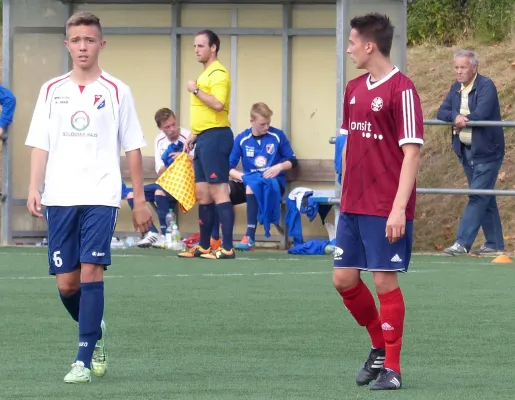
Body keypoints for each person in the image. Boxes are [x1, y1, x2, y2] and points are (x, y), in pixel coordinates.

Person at [25, 12, 153, 384]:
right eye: (76, 40)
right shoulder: (52, 90)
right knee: (66, 283)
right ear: (67, 45)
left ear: (101, 44)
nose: (83, 47)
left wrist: (138, 198)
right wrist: (35, 187)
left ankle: (83, 356)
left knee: (92, 270)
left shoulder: (117, 90)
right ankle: (95, 330)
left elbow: (132, 147)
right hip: (60, 196)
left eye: (89, 40)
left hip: (101, 193)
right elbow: (39, 143)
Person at [333, 13, 423, 390]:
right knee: (343, 279)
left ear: (370, 46)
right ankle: (378, 347)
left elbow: (412, 153)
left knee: (384, 282)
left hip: (384, 205)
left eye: (352, 42)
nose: (349, 48)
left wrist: (398, 208)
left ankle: (394, 368)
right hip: (352, 204)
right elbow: (347, 141)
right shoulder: (353, 88)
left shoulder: (402, 90)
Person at [437, 50, 505, 256]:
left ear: (474, 68)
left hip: (487, 151)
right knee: (486, 196)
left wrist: (461, 119)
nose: (458, 72)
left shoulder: (486, 86)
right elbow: (442, 112)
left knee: (477, 195)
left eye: (463, 67)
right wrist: (456, 116)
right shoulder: (455, 88)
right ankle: (494, 244)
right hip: (466, 150)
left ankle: (462, 243)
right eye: (456, 67)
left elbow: (482, 113)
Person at [178, 29, 235, 260]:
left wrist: (196, 90)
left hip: (216, 137)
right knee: (203, 193)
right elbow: (205, 112)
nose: (196, 50)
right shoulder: (205, 74)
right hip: (203, 137)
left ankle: (228, 248)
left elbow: (218, 105)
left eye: (201, 46)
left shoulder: (218, 73)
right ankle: (204, 245)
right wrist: (193, 135)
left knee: (219, 190)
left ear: (213, 48)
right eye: (194, 46)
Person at [228, 102, 297, 251]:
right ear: (251, 121)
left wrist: (279, 167)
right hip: (248, 181)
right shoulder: (242, 138)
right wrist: (242, 177)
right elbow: (227, 167)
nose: (266, 127)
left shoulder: (277, 136)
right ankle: (221, 238)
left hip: (273, 183)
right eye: (262, 124)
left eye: (268, 123)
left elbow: (292, 160)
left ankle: (249, 237)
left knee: (253, 186)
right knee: (222, 190)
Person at [135, 108, 191, 248]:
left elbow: (198, 161)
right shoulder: (159, 140)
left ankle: (167, 236)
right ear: (160, 128)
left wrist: (183, 157)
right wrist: (167, 168)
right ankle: (153, 234)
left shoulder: (188, 136)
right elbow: (158, 167)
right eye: (167, 127)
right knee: (133, 195)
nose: (172, 129)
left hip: (185, 183)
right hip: (166, 181)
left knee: (159, 192)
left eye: (173, 124)